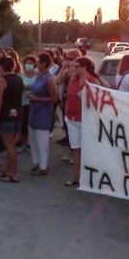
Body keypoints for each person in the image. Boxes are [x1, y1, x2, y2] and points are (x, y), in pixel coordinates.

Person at [64, 57, 100, 186]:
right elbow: (68, 97)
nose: (74, 68)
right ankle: (75, 176)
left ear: (84, 68)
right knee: (75, 149)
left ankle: (89, 177)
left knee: (88, 149)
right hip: (72, 118)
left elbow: (99, 102)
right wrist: (66, 114)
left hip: (86, 119)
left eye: (77, 66)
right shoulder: (73, 80)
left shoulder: (93, 81)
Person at [0, 57, 25, 183]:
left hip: (6, 115)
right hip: (18, 113)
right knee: (12, 144)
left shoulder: (2, 80)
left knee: (9, 146)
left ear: (1, 66)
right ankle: (8, 170)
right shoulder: (18, 78)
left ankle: (13, 174)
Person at [28, 52, 59, 176]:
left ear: (44, 64)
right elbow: (34, 88)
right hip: (34, 109)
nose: (36, 64)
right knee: (33, 137)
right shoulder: (39, 75)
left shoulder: (49, 79)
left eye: (38, 62)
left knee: (42, 139)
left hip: (44, 111)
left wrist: (37, 99)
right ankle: (37, 163)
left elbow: (54, 98)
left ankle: (43, 166)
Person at [17, 55, 37, 151]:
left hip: (35, 102)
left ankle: (33, 143)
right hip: (23, 102)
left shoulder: (38, 75)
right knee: (24, 123)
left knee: (34, 123)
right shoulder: (20, 75)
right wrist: (23, 87)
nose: (28, 65)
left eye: (31, 63)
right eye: (27, 63)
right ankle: (24, 144)